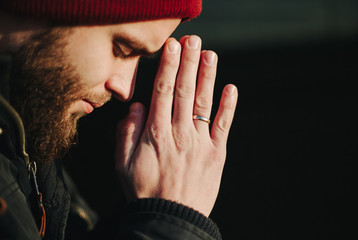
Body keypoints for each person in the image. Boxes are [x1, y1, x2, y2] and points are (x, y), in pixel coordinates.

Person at [0, 0, 238, 239]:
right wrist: (173, 221)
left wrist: (147, 212)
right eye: (122, 49)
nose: (125, 90)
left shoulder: (25, 129)